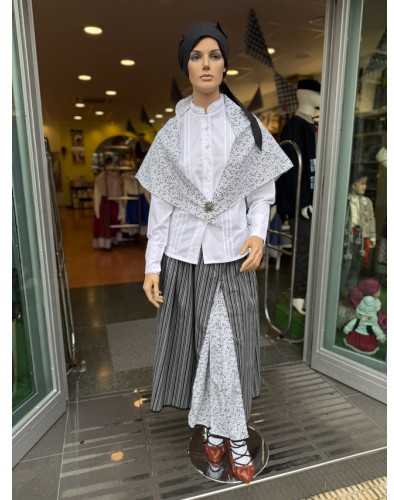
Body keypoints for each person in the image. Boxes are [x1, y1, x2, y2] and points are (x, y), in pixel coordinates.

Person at [136, 21, 292, 484]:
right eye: (197, 56)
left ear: (225, 65)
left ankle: (230, 435)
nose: (206, 64)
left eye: (215, 55)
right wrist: (152, 264)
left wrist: (259, 235)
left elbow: (261, 195)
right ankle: (222, 435)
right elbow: (161, 208)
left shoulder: (248, 127)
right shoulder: (169, 134)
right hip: (185, 259)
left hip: (233, 256)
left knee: (229, 348)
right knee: (202, 351)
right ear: (186, 66)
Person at [275, 79, 321, 315]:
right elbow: (292, 167)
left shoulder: (312, 126)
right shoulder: (294, 126)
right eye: (317, 93)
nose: (321, 97)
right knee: (303, 250)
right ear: (305, 94)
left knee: (312, 250)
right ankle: (298, 296)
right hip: (300, 203)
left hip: (311, 200)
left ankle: (306, 293)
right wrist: (302, 202)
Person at [341, 172, 376, 288]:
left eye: (365, 184)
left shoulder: (367, 202)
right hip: (348, 235)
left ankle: (351, 288)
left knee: (357, 263)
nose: (365, 186)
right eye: (362, 183)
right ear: (353, 185)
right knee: (346, 262)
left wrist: (372, 236)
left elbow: (371, 219)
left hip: (360, 236)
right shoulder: (345, 200)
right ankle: (340, 286)